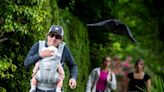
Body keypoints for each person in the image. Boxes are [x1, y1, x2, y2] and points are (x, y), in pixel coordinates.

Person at [24, 25, 78, 92]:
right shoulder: (39, 45)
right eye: (51, 35)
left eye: (57, 37)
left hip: (55, 89)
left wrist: (73, 78)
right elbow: (26, 62)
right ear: (47, 35)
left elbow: (72, 65)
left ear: (61, 40)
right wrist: (40, 55)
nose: (53, 39)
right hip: (38, 89)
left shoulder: (64, 49)